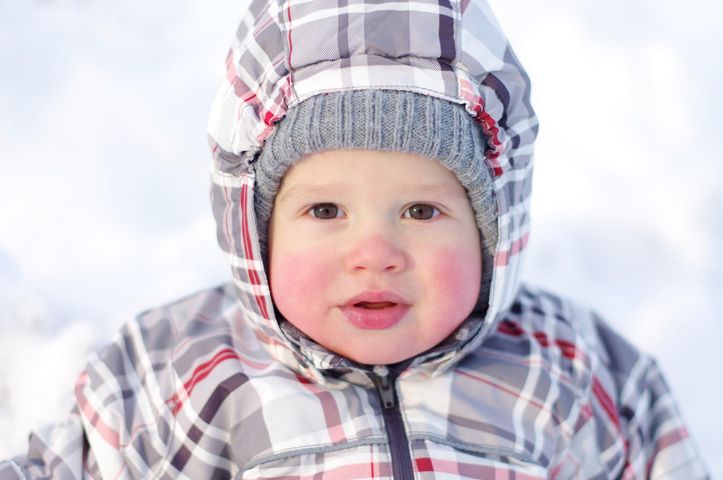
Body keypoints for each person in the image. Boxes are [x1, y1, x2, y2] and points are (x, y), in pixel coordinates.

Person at [0, 0, 709, 478]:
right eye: (327, 211)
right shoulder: (179, 374)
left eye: (422, 213)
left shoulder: (571, 371)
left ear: (493, 228)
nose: (374, 252)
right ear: (255, 226)